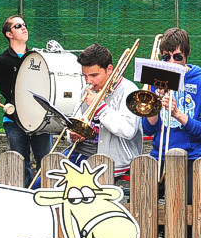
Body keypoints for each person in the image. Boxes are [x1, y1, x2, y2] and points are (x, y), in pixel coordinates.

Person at [31, 43, 142, 188]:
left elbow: (128, 130)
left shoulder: (128, 90)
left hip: (111, 160)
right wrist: (73, 134)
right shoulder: (87, 90)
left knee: (75, 192)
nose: (89, 81)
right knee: (39, 187)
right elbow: (75, 123)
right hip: (79, 153)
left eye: (94, 75)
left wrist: (100, 107)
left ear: (109, 69)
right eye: (85, 76)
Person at [141, 27, 201, 200]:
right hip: (159, 155)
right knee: (141, 202)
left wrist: (178, 114)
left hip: (192, 156)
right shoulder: (155, 80)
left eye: (177, 57)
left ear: (187, 54)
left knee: (188, 206)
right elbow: (148, 129)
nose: (171, 63)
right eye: (166, 57)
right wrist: (155, 103)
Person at [0, 16, 51, 187]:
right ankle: (24, 196)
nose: (24, 28)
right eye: (18, 26)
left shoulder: (37, 58)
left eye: (24, 25)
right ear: (9, 34)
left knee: (46, 163)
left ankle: (44, 195)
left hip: (39, 118)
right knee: (20, 164)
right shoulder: (0, 61)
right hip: (13, 120)